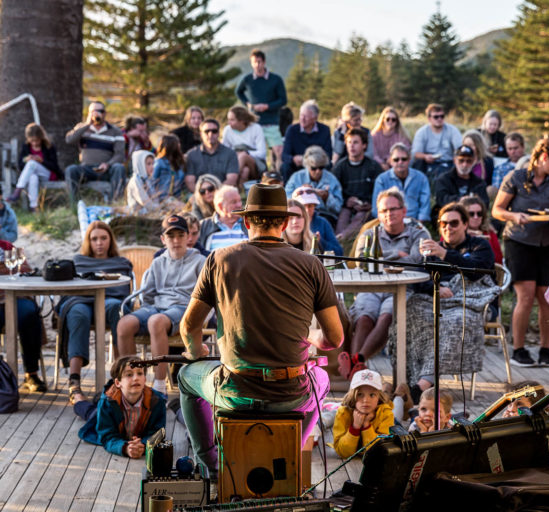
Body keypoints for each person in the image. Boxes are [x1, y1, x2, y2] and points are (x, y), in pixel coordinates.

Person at [177, 183, 344, 478]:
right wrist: (309, 337)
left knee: (186, 379)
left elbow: (189, 325)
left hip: (235, 390)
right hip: (290, 393)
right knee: (320, 377)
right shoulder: (311, 264)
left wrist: (196, 351)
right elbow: (335, 338)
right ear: (283, 223)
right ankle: (290, 448)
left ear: (246, 221)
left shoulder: (218, 259)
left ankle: (211, 465)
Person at [402, 203, 496, 392]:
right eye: (443, 223)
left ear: (465, 224)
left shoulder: (479, 245)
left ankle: (421, 386)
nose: (448, 228)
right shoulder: (431, 248)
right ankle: (407, 379)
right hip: (435, 299)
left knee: (454, 322)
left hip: (470, 302)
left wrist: (445, 254)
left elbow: (477, 273)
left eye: (453, 223)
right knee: (407, 313)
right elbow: (417, 278)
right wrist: (436, 286)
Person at [492, 137, 549, 368]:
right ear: (544, 157)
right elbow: (497, 210)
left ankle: (546, 348)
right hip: (519, 241)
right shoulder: (516, 178)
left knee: (548, 298)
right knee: (525, 297)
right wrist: (515, 216)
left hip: (547, 243)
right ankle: (519, 348)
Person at [117, 214, 206, 394]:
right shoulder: (158, 262)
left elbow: (206, 295)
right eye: (171, 236)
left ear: (188, 237)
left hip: (183, 308)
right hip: (156, 307)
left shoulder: (200, 261)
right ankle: (133, 382)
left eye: (180, 235)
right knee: (124, 324)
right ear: (163, 239)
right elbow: (147, 294)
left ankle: (159, 387)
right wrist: (146, 310)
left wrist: (199, 317)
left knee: (156, 321)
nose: (176, 240)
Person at [343, 188, 429, 373]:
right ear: (378, 214)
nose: (389, 214)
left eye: (393, 209)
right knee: (364, 317)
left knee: (387, 316)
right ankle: (356, 368)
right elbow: (361, 260)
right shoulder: (369, 234)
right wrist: (397, 254)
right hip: (371, 288)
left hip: (401, 288)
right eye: (384, 210)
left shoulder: (418, 234)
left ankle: (356, 362)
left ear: (404, 211)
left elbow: (416, 261)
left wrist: (380, 259)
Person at [58, 221, 132, 403]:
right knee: (77, 314)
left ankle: (120, 376)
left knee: (117, 308)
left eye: (103, 238)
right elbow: (70, 288)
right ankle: (74, 381)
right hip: (81, 300)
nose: (99, 243)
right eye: (94, 239)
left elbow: (124, 291)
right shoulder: (78, 261)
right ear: (88, 242)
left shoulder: (121, 263)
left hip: (109, 300)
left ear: (110, 240)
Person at [73, 355, 166, 458]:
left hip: (125, 423)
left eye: (140, 373)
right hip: (109, 409)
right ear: (117, 382)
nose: (136, 378)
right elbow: (107, 436)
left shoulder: (156, 401)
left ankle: (95, 399)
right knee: (91, 413)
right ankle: (78, 400)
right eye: (129, 375)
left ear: (144, 379)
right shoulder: (107, 403)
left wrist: (143, 446)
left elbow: (157, 433)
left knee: (95, 408)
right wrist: (125, 448)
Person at [0, 239, 45, 392]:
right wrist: (7, 270)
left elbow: (26, 270)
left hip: (14, 298)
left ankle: (31, 374)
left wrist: (8, 269)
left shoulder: (7, 247)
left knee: (30, 314)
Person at [64, 101, 126, 206]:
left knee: (119, 168)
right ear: (89, 113)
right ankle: (75, 205)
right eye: (94, 111)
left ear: (105, 113)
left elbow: (119, 155)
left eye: (100, 111)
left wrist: (108, 164)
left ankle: (115, 204)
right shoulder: (82, 128)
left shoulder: (115, 131)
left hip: (106, 169)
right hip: (86, 169)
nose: (97, 114)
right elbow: (69, 140)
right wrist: (87, 124)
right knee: (71, 170)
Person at [235, 48, 288, 164]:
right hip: (254, 123)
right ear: (251, 63)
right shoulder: (247, 79)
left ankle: (278, 176)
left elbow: (283, 100)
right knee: (256, 154)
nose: (257, 65)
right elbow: (238, 92)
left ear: (264, 62)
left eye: (259, 62)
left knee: (279, 152)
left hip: (271, 122)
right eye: (254, 62)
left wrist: (267, 106)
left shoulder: (275, 79)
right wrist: (248, 104)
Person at [332, 369, 394, 458]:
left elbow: (381, 451)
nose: (366, 400)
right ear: (352, 395)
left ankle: (397, 396)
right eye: (360, 394)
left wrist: (366, 426)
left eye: (372, 395)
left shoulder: (386, 414)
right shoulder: (343, 413)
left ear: (379, 397)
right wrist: (355, 427)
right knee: (331, 416)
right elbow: (343, 452)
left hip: (395, 423)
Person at [332, 127, 382, 238]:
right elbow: (334, 190)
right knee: (343, 217)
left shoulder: (373, 167)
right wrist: (346, 201)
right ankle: (339, 239)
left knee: (360, 217)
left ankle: (343, 238)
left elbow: (379, 190)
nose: (351, 146)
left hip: (366, 207)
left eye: (355, 142)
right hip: (346, 205)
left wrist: (369, 203)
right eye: (349, 142)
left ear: (364, 145)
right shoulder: (340, 167)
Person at [8, 123, 61, 212]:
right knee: (33, 177)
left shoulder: (49, 146)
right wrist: (26, 160)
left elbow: (55, 166)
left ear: (41, 137)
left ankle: (17, 191)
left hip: (48, 175)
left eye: (37, 140)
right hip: (32, 174)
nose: (35, 143)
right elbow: (20, 165)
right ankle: (34, 208)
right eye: (32, 141)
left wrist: (42, 161)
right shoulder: (26, 147)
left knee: (32, 163)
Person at [371, 144, 430, 223]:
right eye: (396, 159)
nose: (400, 162)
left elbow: (425, 205)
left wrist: (419, 224)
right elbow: (376, 208)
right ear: (391, 161)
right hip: (390, 222)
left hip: (415, 222)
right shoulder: (381, 180)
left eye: (404, 159)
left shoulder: (421, 178)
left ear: (409, 160)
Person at [285, 146, 343, 226]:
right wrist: (299, 193)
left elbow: (338, 208)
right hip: (300, 216)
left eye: (321, 167)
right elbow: (286, 202)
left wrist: (327, 198)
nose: (318, 171)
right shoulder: (296, 178)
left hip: (325, 217)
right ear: (307, 166)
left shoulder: (332, 179)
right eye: (313, 168)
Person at [281, 100, 332, 180]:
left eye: (306, 116)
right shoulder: (292, 130)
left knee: (329, 166)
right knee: (285, 166)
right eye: (301, 115)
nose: (302, 119)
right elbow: (284, 156)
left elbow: (328, 154)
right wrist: (293, 159)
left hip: (317, 166)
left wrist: (312, 161)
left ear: (315, 118)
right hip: (296, 166)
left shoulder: (324, 130)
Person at [411, 103, 463, 183]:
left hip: (448, 163)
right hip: (428, 163)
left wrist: (456, 157)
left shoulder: (452, 130)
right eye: (436, 117)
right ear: (429, 118)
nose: (439, 119)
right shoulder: (422, 132)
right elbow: (415, 153)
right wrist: (425, 156)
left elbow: (460, 148)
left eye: (442, 116)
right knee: (418, 163)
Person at [433, 145, 489, 218]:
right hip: (449, 217)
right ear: (454, 161)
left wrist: (471, 203)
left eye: (469, 161)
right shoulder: (443, 179)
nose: (465, 164)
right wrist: (460, 200)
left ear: (474, 162)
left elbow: (485, 204)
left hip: (472, 217)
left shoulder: (479, 183)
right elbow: (441, 199)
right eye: (461, 160)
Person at [184, 118, 239, 191]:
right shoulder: (191, 155)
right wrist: (202, 194)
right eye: (206, 131)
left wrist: (215, 194)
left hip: (222, 193)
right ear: (201, 134)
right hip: (198, 194)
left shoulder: (230, 154)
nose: (210, 134)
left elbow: (231, 180)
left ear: (219, 133)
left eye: (214, 131)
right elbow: (190, 181)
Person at [221, 105, 267, 184]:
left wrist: (246, 153)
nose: (229, 122)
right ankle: (240, 190)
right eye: (228, 119)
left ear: (242, 120)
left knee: (243, 156)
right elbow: (223, 152)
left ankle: (228, 183)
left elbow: (262, 153)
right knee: (245, 170)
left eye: (232, 120)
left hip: (256, 166)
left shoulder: (256, 128)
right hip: (236, 162)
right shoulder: (227, 130)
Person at [291, 186, 344, 255]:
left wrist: (320, 242)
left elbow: (339, 252)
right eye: (303, 206)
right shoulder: (288, 224)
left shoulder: (323, 223)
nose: (307, 210)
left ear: (315, 206)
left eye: (310, 206)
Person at [199, 185, 248, 251]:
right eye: (234, 202)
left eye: (240, 201)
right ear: (220, 206)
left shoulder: (249, 223)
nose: (239, 205)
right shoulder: (204, 226)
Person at [460, 196, 502, 264]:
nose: (476, 217)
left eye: (479, 213)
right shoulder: (454, 231)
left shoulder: (489, 233)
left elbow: (498, 260)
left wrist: (483, 243)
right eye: (471, 214)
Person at [490, 133, 526, 197]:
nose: (512, 152)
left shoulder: (532, 165)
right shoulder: (500, 168)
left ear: (523, 147)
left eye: (515, 148)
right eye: (510, 149)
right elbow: (496, 191)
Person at [152, 134, 185, 199]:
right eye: (177, 143)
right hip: (163, 197)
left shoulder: (179, 163)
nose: (179, 145)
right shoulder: (159, 162)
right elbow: (153, 181)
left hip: (177, 197)